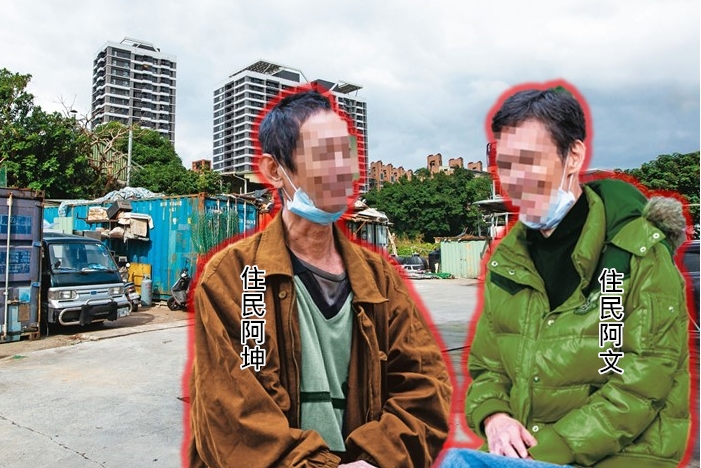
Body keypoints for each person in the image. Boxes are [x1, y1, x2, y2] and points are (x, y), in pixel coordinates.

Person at [188, 87, 452, 468]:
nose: (344, 168)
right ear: (274, 171)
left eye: (347, 152)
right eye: (324, 154)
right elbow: (238, 416)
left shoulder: (380, 280)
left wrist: (377, 460)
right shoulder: (243, 279)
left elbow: (425, 385)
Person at [450, 83, 691, 468]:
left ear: (573, 156)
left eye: (530, 160)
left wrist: (547, 451)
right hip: (532, 452)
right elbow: (487, 367)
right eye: (507, 164)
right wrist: (495, 418)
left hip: (627, 453)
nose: (516, 179)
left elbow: (643, 383)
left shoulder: (634, 252)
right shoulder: (509, 260)